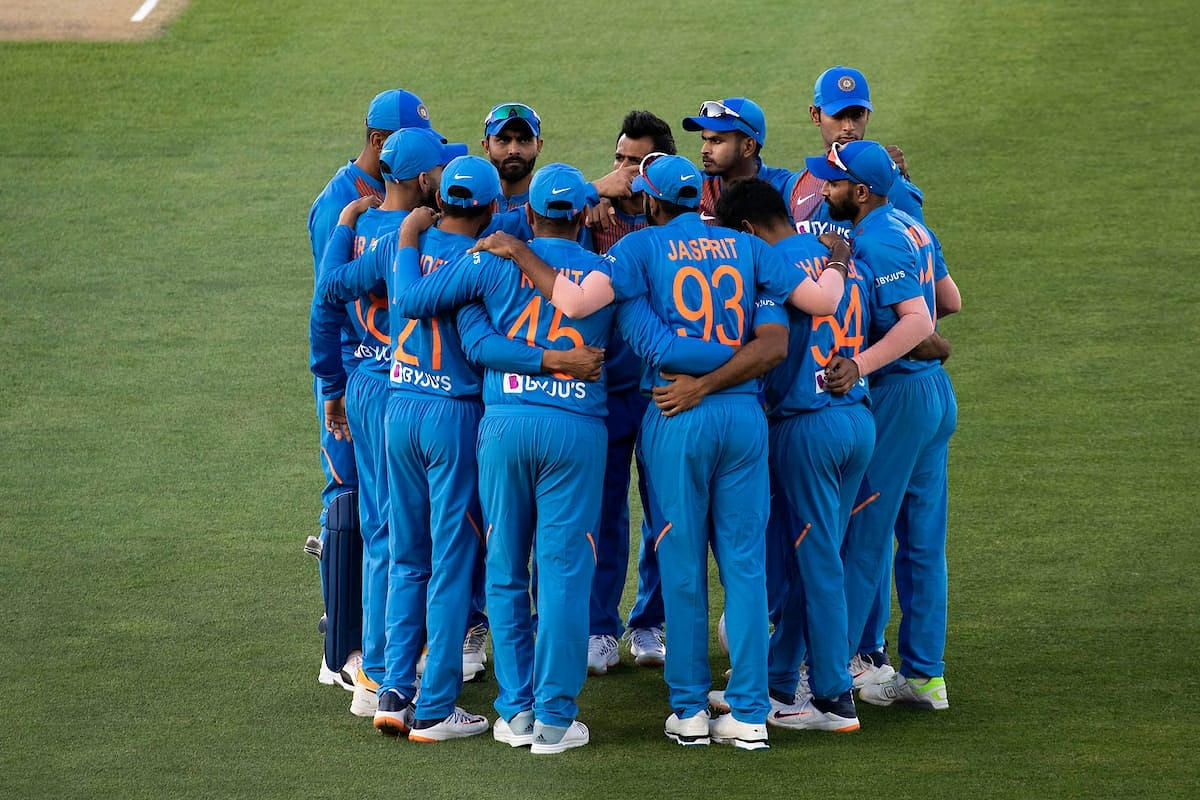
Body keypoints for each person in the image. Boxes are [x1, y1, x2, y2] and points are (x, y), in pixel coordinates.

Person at [501, 153, 846, 751]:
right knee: (745, 564)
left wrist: (520, 252)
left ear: (654, 202)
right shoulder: (747, 248)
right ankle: (748, 713)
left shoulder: (637, 251)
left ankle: (688, 711)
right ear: (699, 199)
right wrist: (835, 263)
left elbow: (578, 305)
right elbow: (814, 310)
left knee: (681, 563)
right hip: (744, 417)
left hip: (675, 410)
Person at [390, 160, 614, 755]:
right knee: (565, 575)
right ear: (582, 217)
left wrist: (409, 235)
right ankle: (555, 721)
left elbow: (414, 300)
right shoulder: (610, 270)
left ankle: (515, 713)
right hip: (576, 431)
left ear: (530, 213)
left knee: (506, 569)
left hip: (505, 426)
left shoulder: (489, 262)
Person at [710, 178, 874, 733]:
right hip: (857, 418)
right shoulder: (838, 257)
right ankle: (780, 683)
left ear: (749, 230)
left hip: (807, 427)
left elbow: (763, 348)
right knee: (815, 556)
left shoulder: (771, 268)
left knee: (819, 560)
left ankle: (832, 697)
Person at [313, 126, 465, 718]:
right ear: (424, 180)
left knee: (386, 532)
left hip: (369, 386)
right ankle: (381, 671)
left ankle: (381, 669)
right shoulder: (415, 237)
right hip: (409, 387)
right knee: (404, 536)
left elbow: (328, 291)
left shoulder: (363, 232)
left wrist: (348, 220)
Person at [805, 140, 958, 711]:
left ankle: (828, 683)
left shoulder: (878, 237)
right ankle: (925, 677)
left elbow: (920, 321)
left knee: (863, 539)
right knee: (922, 541)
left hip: (897, 398)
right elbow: (952, 300)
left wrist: (860, 362)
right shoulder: (911, 225)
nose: (824, 189)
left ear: (861, 191)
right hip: (933, 398)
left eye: (834, 183)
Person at [585, 110, 677, 674]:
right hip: (606, 390)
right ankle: (599, 627)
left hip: (664, 391)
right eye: (618, 158)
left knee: (666, 512)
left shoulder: (676, 220)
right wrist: (588, 197)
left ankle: (650, 623)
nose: (623, 171)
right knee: (604, 513)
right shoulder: (586, 215)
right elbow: (513, 225)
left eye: (635, 162)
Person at [785, 65, 925, 237]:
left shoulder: (889, 184)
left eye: (857, 114)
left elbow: (923, 252)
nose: (849, 127)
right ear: (815, 115)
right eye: (838, 115)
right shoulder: (798, 185)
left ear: (868, 115)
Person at [680, 97, 794, 223]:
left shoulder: (787, 189)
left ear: (748, 147)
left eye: (716, 141)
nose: (704, 149)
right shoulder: (693, 187)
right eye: (705, 140)